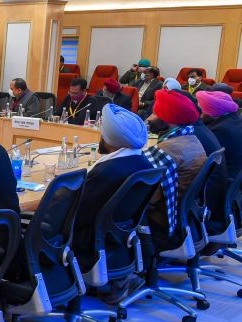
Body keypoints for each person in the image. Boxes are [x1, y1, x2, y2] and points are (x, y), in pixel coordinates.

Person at [71, 104, 152, 303]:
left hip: (89, 241)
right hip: (119, 240)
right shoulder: (144, 162)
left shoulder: (107, 172)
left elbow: (75, 214)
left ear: (110, 138)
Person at [143, 89, 207, 247]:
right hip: (187, 220)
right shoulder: (192, 139)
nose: (149, 118)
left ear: (168, 119)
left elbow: (148, 196)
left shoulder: (168, 150)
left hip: (162, 224)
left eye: (155, 113)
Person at [198, 89, 242, 178]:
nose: (199, 115)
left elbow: (206, 161)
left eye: (201, 110)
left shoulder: (221, 130)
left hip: (227, 178)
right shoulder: (236, 119)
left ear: (211, 111)